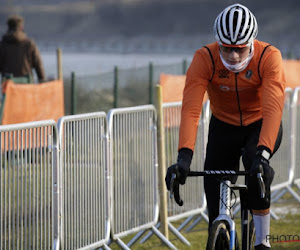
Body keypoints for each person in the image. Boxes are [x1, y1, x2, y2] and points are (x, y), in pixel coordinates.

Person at [165, 3, 285, 250]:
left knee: (256, 173)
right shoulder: (204, 58)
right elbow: (190, 110)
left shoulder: (269, 56)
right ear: (217, 42)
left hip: (259, 125)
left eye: (239, 49)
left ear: (251, 43)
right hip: (223, 127)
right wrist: (184, 156)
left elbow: (273, 108)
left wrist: (263, 155)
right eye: (226, 48)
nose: (232, 56)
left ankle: (263, 241)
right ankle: (224, 232)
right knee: (215, 199)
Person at [0, 15, 46, 83]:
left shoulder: (2, 45)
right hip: (26, 84)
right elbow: (38, 65)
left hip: (8, 86)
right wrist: (42, 80)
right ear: (21, 27)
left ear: (8, 27)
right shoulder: (29, 44)